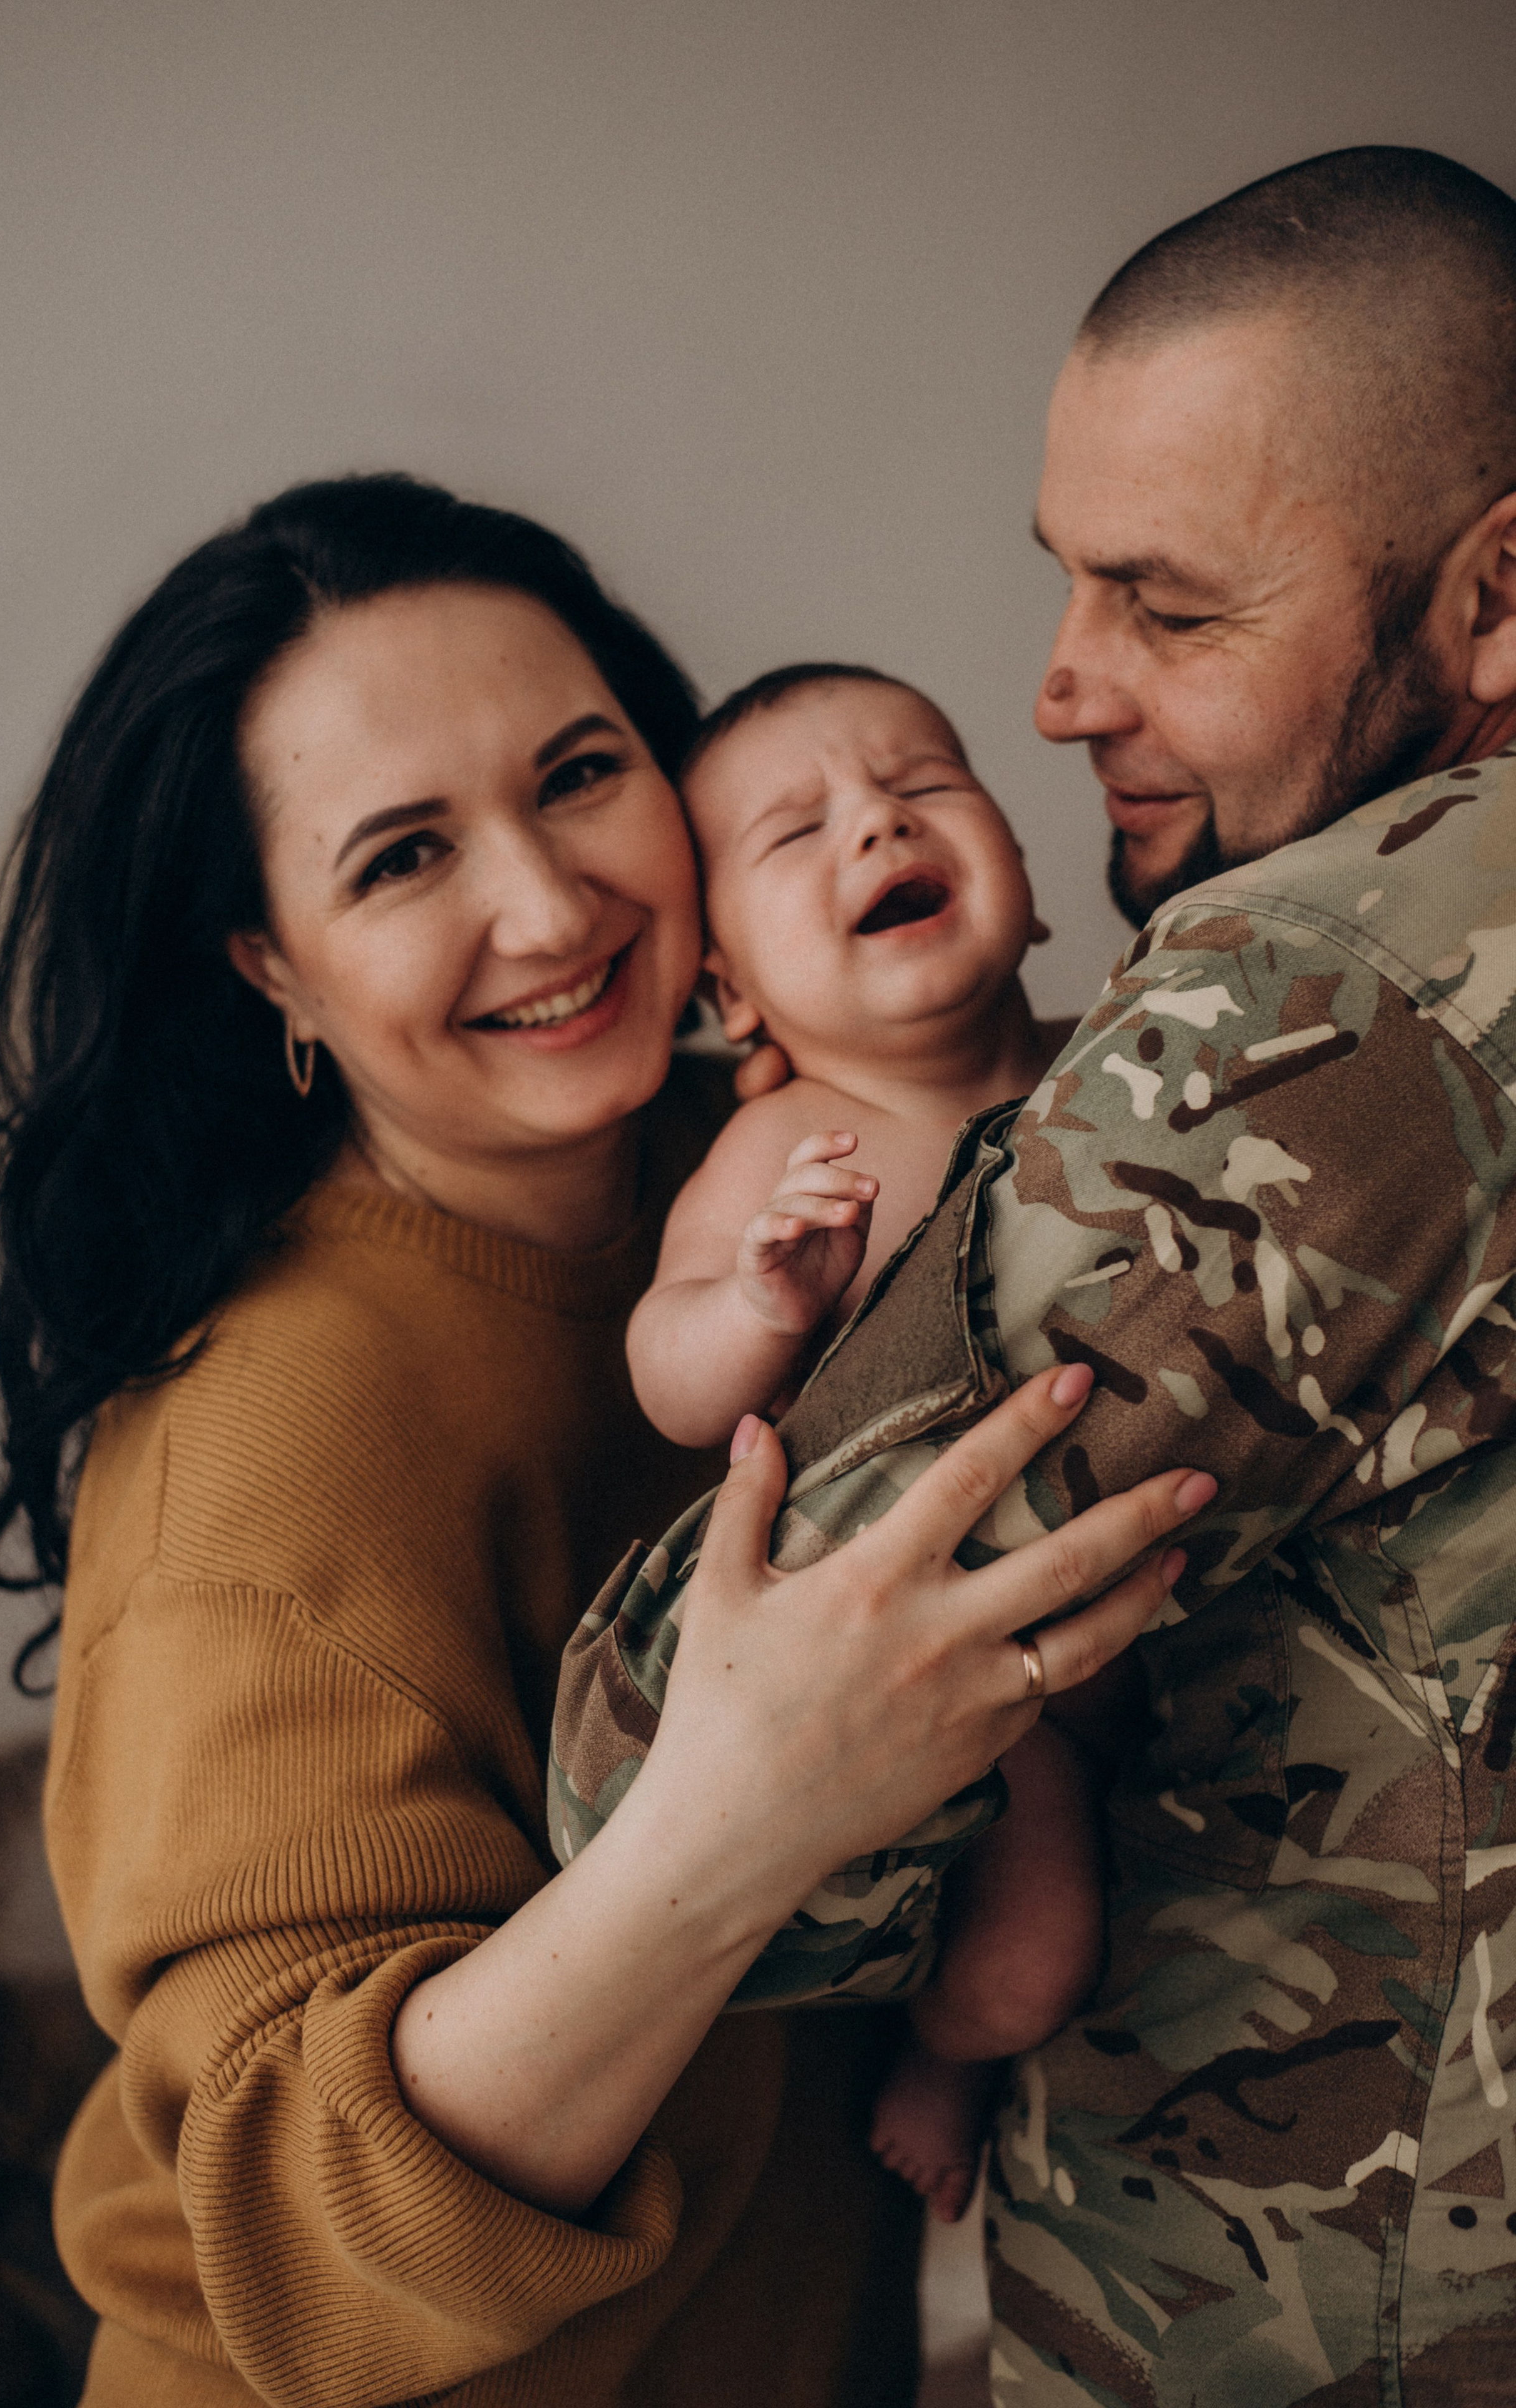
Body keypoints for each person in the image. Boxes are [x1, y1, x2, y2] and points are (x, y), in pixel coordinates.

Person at [0, 472, 1207, 2408]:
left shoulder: (766, 1172)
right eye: (397, 859)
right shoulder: (262, 1457)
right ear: (267, 967)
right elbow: (290, 2247)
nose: (550, 907)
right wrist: (743, 1815)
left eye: (577, 774)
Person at [551, 148, 1516, 2404]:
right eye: (1068, 584)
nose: (1063, 688)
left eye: (1171, 609)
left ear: (1497, 596)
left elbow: (702, 1795)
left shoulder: (1333, 989)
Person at [626, 658, 1095, 2223]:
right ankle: (947, 2054)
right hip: (960, 1657)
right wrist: (762, 1298)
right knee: (1034, 1960)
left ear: (1024, 889)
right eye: (795, 827)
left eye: (922, 781)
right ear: (730, 997)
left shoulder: (1122, 1065)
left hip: (1176, 1596)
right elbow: (668, 1378)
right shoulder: (792, 1145)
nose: (872, 821)